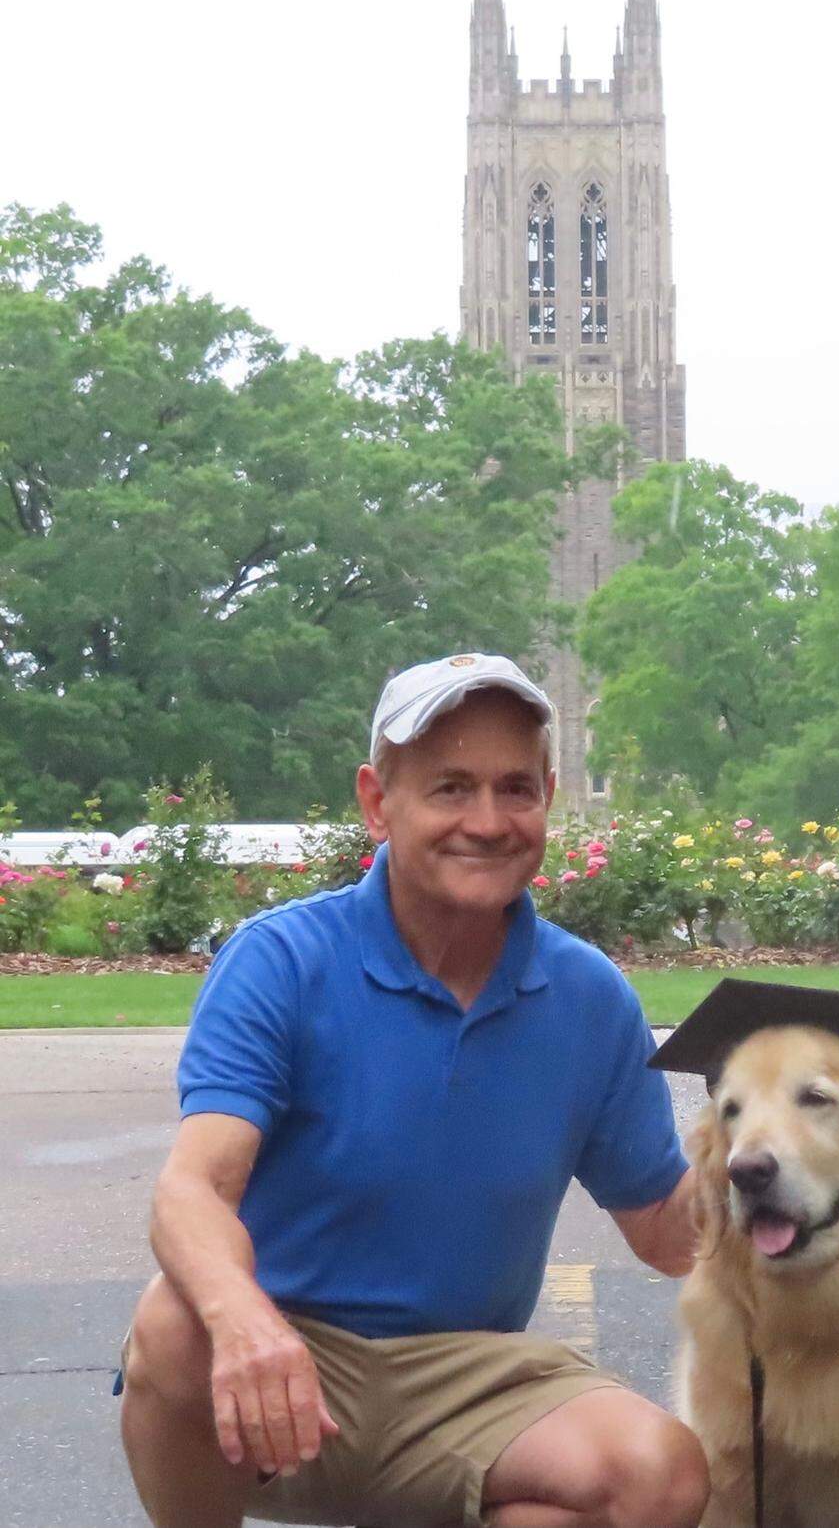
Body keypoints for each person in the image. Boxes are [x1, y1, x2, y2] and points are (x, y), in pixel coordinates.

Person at [119, 653, 708, 1528]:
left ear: (549, 794)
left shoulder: (588, 997)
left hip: (466, 1382)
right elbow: (193, 1187)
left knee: (658, 1474)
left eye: (516, 788)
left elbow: (667, 1226)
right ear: (377, 801)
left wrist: (811, 1150)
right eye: (449, 788)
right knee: (174, 1327)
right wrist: (241, 1315)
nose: (487, 820)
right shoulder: (283, 961)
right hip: (286, 1361)